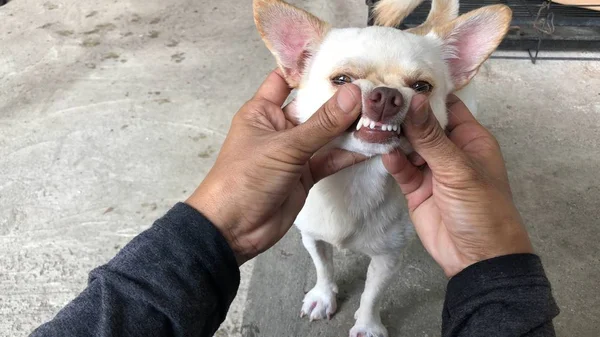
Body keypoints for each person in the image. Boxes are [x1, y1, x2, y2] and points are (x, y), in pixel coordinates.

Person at [30, 70, 559, 337]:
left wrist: (368, 315)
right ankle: (327, 283)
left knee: (384, 249)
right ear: (300, 79)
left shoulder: (421, 184)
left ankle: (368, 313)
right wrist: (499, 275)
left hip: (395, 198)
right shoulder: (296, 186)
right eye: (345, 80)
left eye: (417, 85)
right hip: (322, 204)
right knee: (313, 236)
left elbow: (390, 253)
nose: (383, 94)